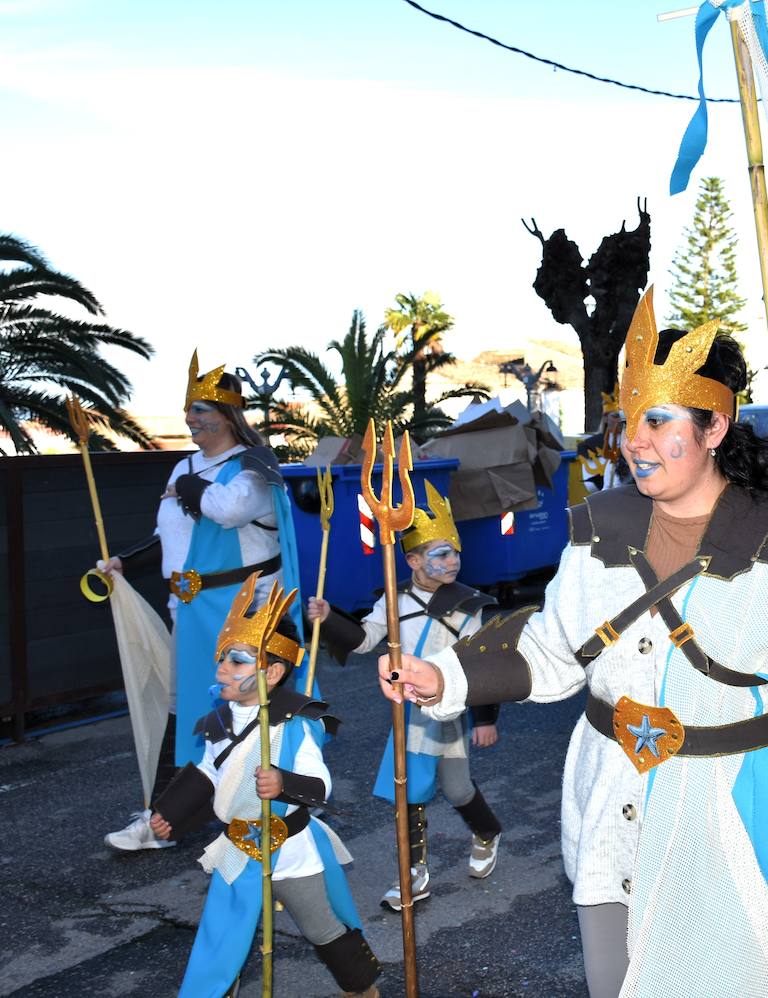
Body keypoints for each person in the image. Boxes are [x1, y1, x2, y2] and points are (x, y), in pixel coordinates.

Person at [376, 288, 768, 998]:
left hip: (735, 807)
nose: (633, 442)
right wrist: (443, 680)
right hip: (617, 797)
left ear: (716, 427)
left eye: (657, 421)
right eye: (627, 421)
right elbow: (554, 648)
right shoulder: (597, 526)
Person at [102, 352, 306, 852]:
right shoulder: (185, 464)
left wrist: (191, 485)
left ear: (228, 414)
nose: (191, 418)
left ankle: (266, 814)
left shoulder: (255, 466)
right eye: (188, 409)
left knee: (250, 713)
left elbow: (226, 509)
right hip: (191, 611)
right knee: (189, 708)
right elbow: (167, 532)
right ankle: (163, 819)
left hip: (248, 609)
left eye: (201, 409)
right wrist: (126, 561)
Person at [149, 576, 380, 998]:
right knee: (224, 936)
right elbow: (210, 776)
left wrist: (284, 783)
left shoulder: (296, 722)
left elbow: (320, 784)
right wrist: (171, 813)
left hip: (287, 846)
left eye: (236, 661)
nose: (222, 669)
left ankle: (363, 990)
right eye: (223, 658)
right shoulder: (218, 722)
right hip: (239, 845)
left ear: (272, 672)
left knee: (320, 925)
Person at [309, 480, 504, 909]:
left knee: (456, 790)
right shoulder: (394, 600)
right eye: (440, 554)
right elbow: (363, 640)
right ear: (413, 560)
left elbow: (483, 667)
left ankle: (487, 831)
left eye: (454, 553)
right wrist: (330, 617)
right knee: (410, 792)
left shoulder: (470, 606)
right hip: (409, 716)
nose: (452, 561)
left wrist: (485, 719)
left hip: (449, 710)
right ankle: (413, 874)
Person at [576, 387, 629, 496]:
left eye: (622, 416)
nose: (619, 420)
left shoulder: (634, 441)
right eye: (615, 416)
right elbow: (582, 447)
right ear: (605, 418)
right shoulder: (596, 441)